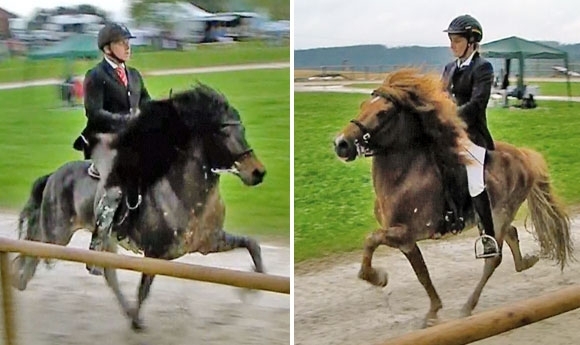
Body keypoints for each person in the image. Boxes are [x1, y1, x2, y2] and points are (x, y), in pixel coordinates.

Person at [72, 22, 151, 274]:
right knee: (115, 186)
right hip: (103, 141)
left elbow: (146, 103)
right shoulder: (95, 76)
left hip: (131, 141)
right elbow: (94, 113)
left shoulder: (135, 75)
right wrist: (126, 120)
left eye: (128, 42)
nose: (128, 47)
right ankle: (97, 248)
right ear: (107, 48)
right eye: (121, 42)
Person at [441, 14, 499, 258]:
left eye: (456, 40)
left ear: (471, 41)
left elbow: (477, 104)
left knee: (475, 178)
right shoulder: (449, 68)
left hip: (473, 134)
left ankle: (488, 236)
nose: (452, 45)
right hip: (448, 131)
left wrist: (452, 116)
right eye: (451, 40)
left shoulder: (482, 67)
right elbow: (440, 96)